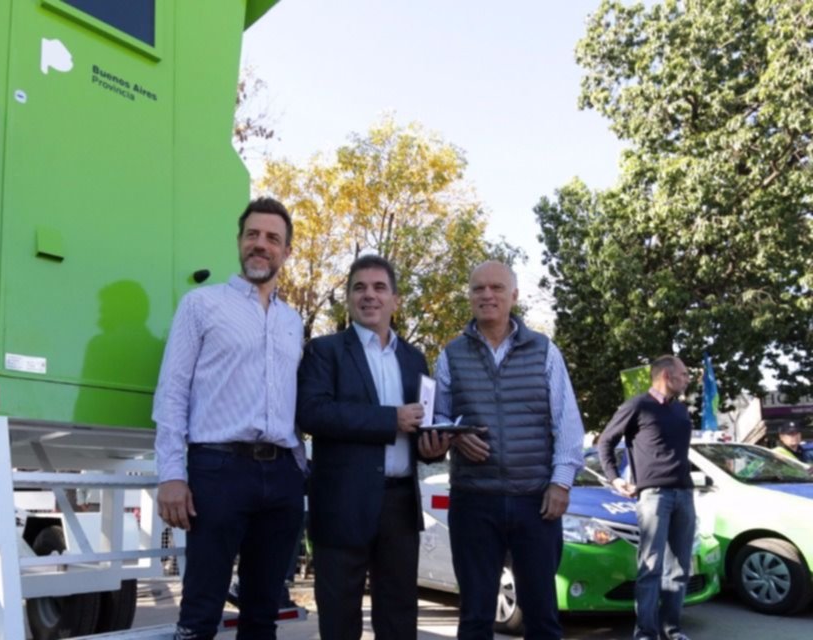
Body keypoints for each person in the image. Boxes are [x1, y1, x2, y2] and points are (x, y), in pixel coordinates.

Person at [153, 196, 306, 640]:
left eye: (273, 238)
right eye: (253, 235)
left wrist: (299, 468)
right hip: (218, 470)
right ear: (240, 242)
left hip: (281, 476)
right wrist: (171, 475)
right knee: (200, 612)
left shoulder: (292, 322)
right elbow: (172, 392)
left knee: (262, 615)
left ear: (286, 251)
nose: (262, 244)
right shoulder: (201, 305)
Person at [297, 254, 451, 640]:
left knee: (399, 619)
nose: (370, 295)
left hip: (399, 505)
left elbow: (420, 425)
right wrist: (389, 420)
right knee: (339, 619)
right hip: (341, 504)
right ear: (348, 298)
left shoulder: (414, 358)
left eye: (380, 287)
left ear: (395, 300)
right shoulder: (324, 351)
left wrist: (431, 448)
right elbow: (313, 413)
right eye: (359, 288)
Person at [434, 260, 584, 640]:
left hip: (534, 502)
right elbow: (437, 417)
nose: (487, 295)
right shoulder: (450, 355)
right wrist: (454, 436)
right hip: (473, 501)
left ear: (514, 295)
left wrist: (561, 483)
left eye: (497, 288)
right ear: (469, 296)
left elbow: (566, 422)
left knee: (542, 617)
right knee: (474, 617)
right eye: (478, 288)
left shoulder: (544, 351)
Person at [597, 355, 696, 640]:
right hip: (653, 495)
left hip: (685, 493)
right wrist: (615, 478)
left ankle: (672, 629)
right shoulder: (637, 405)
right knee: (651, 567)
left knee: (679, 568)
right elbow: (605, 441)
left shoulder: (680, 410)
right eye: (683, 373)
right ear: (666, 375)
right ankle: (646, 632)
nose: (687, 378)